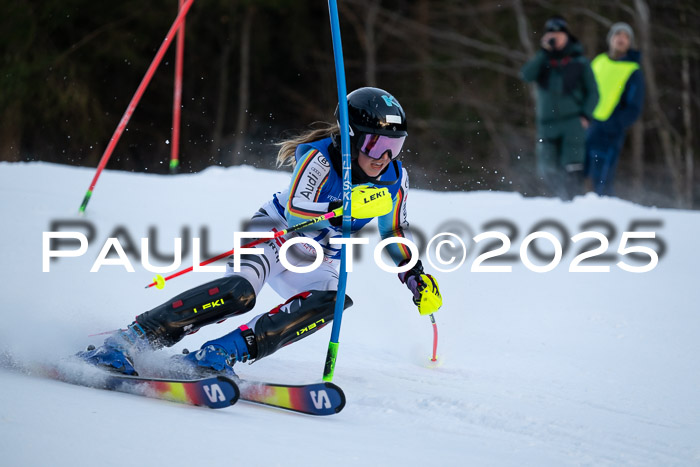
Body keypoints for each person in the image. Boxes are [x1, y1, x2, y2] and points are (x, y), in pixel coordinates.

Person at [78, 87, 443, 376]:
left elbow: (393, 231)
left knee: (334, 299)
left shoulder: (397, 177)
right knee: (240, 294)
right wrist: (343, 209)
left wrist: (413, 276)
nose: (384, 157)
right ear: (350, 137)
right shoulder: (318, 158)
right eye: (376, 144)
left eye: (395, 147)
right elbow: (299, 210)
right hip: (274, 236)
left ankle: (221, 353)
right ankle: (129, 340)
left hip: (318, 257)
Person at [520, 15, 599, 200]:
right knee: (547, 168)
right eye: (551, 35)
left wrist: (586, 116)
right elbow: (526, 75)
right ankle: (555, 201)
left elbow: (593, 93)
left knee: (572, 167)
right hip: (546, 123)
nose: (555, 38)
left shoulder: (580, 62)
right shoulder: (542, 61)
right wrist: (543, 53)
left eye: (558, 34)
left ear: (567, 36)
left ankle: (572, 204)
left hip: (572, 121)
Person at [585, 22, 645, 196]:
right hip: (588, 125)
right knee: (576, 171)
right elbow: (584, 90)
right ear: (610, 39)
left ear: (630, 43)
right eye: (618, 35)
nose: (621, 39)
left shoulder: (633, 70)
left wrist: (616, 124)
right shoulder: (598, 61)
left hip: (610, 130)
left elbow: (634, 106)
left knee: (602, 178)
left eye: (626, 37)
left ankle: (605, 212)